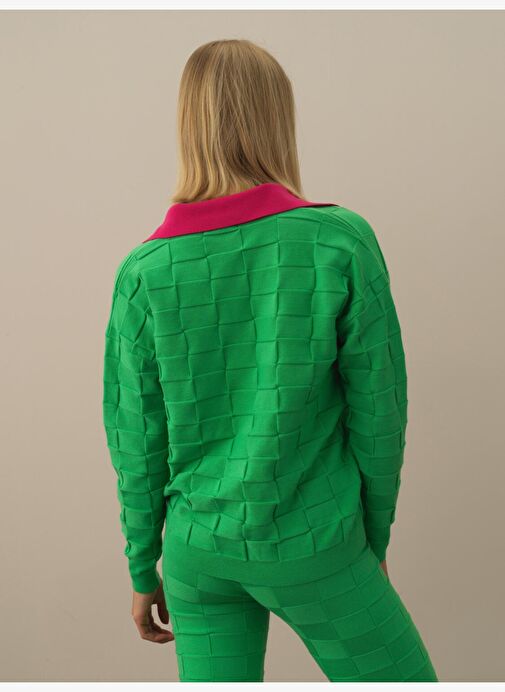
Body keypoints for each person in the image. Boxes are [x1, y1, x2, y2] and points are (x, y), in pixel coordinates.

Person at [102, 38, 438, 683]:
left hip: (198, 558)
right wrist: (373, 539)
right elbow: (381, 413)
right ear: (279, 119)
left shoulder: (143, 272)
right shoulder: (339, 243)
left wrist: (144, 568)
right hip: (317, 544)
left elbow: (135, 441)